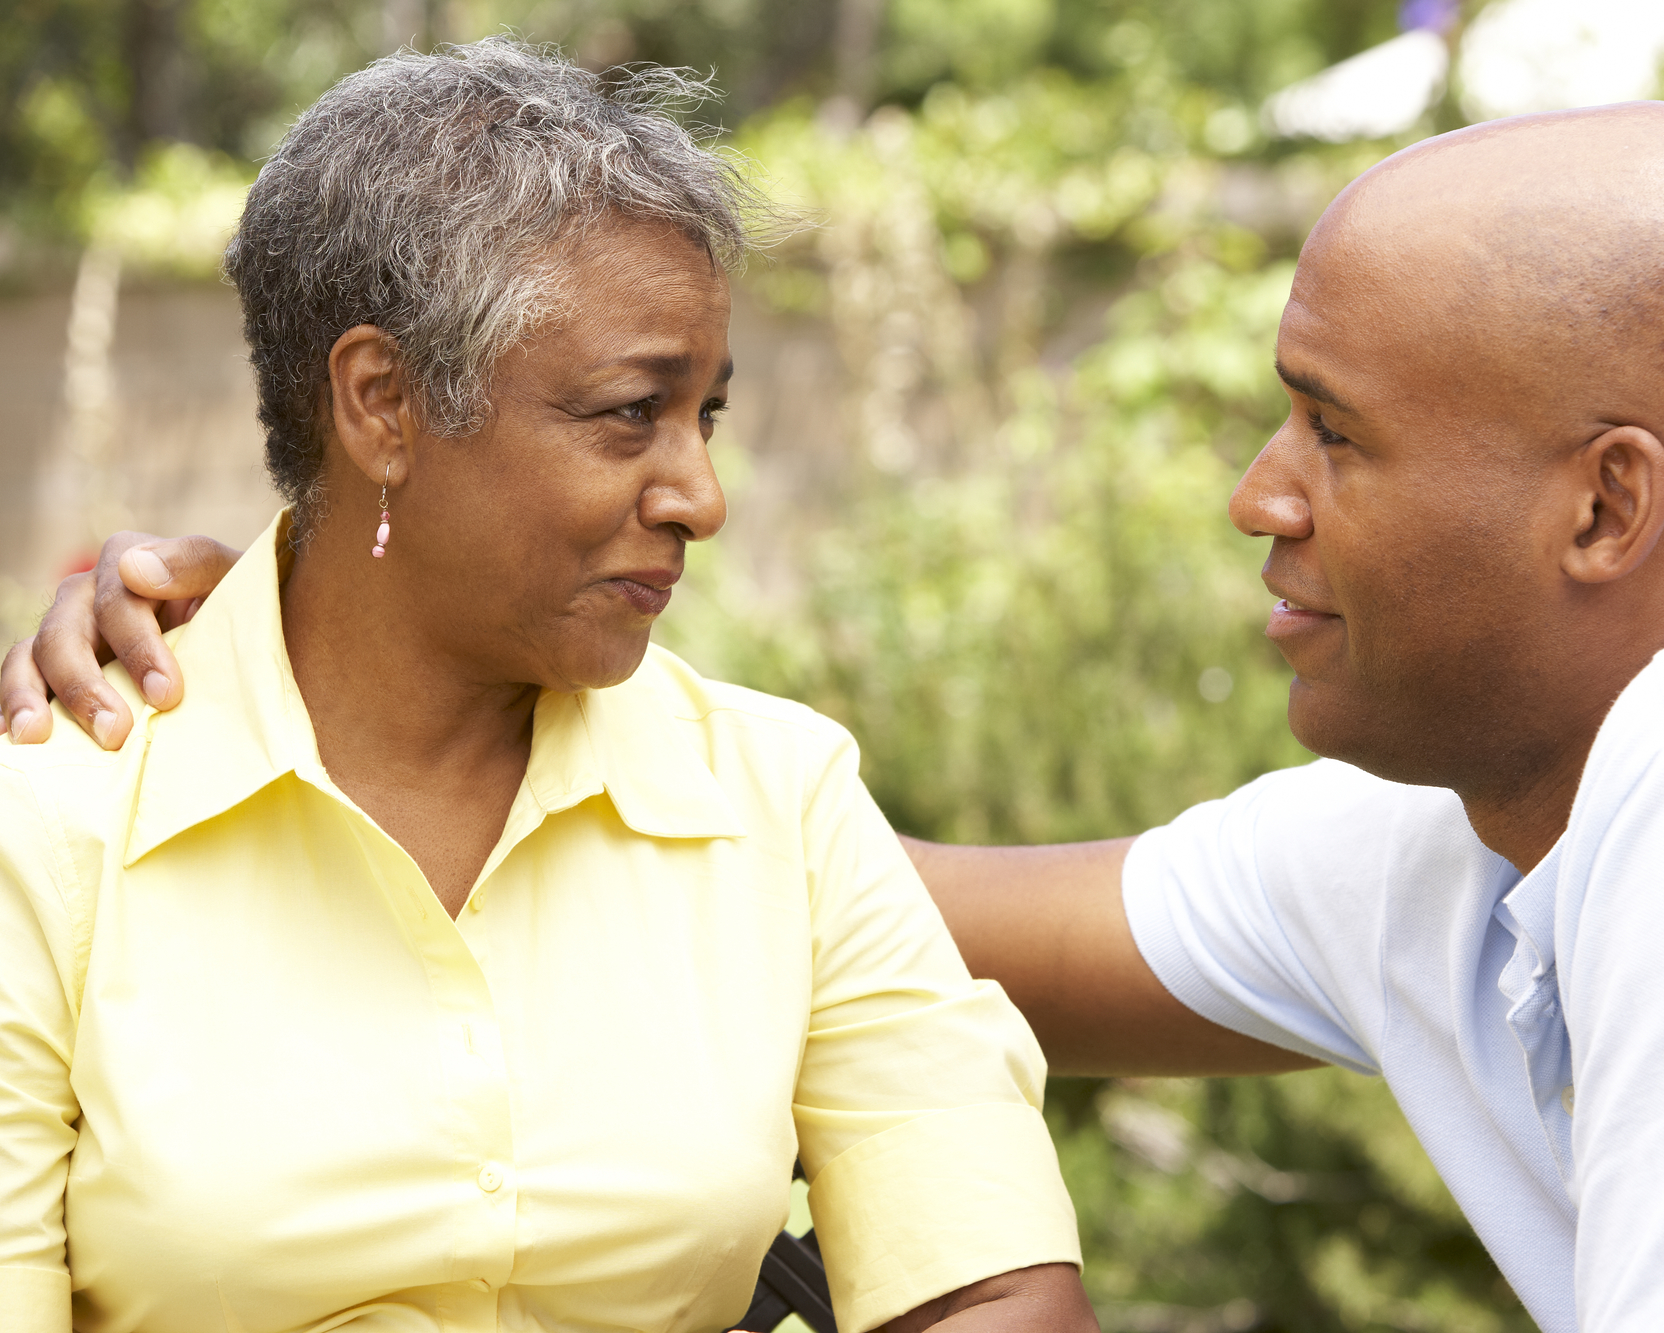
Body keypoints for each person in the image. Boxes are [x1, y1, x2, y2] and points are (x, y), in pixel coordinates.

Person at [15, 100, 1664, 1333]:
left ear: (1603, 505)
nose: (1256, 491)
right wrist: (319, 659)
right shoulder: (1478, 826)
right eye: (634, 413)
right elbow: (858, 909)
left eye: (1331, 429)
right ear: (381, 404)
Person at [0, 39, 1093, 1333]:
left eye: (708, 417)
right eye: (632, 413)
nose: (701, 494)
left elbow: (997, 1284)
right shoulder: (54, 828)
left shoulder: (780, 800)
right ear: (383, 404)